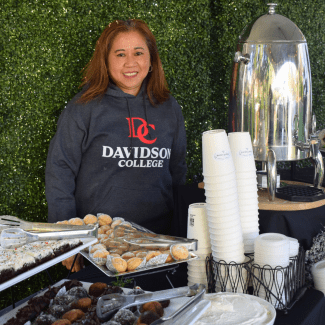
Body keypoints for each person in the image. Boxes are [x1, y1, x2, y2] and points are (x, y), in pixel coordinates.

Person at [45, 19, 187, 271]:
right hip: (98, 250)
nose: (130, 62)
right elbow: (59, 172)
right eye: (120, 54)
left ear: (151, 60)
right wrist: (67, 240)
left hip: (157, 246)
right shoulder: (83, 108)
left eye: (138, 53)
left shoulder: (169, 108)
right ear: (106, 60)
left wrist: (178, 238)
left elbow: (177, 174)